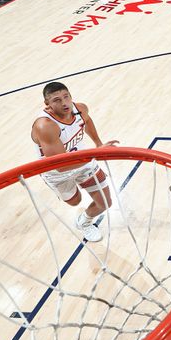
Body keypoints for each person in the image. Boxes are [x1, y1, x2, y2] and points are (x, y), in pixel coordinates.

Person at [31, 82, 119, 242]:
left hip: (84, 161)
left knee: (105, 202)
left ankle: (84, 222)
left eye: (66, 97)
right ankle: (70, 192)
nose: (64, 103)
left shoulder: (80, 109)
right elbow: (61, 166)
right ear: (47, 104)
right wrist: (96, 154)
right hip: (57, 171)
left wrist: (98, 144)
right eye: (57, 100)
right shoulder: (45, 126)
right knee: (75, 201)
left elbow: (87, 121)